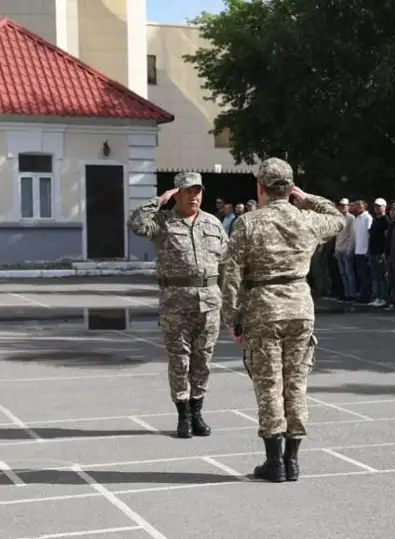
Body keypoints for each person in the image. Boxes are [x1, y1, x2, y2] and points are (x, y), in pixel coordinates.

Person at [220, 158, 345, 482]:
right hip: (300, 307)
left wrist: (232, 317)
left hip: (264, 307)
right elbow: (338, 218)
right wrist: (306, 199)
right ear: (289, 188)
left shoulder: (248, 223)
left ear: (259, 188)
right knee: (296, 383)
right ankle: (293, 460)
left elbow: (230, 274)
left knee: (269, 385)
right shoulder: (307, 220)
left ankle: (274, 462)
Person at [127, 172, 227, 439]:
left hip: (209, 302)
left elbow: (227, 262)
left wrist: (231, 302)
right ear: (177, 194)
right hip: (175, 302)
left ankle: (197, 411)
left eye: (198, 191)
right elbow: (135, 224)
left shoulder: (213, 223)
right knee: (179, 360)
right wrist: (158, 200)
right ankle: (183, 413)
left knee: (203, 360)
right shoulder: (163, 222)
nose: (194, 197)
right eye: (188, 191)